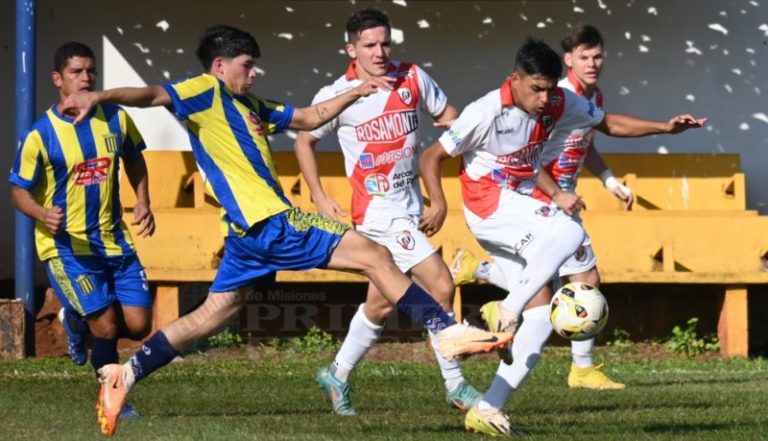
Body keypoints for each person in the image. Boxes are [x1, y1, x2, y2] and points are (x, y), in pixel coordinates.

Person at [62, 25, 513, 436]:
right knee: (376, 255)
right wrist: (98, 97)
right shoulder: (204, 90)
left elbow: (310, 118)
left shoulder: (250, 104)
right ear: (220, 66)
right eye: (246, 65)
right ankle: (445, 329)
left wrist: (356, 91)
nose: (253, 73)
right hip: (271, 222)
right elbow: (152, 94)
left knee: (208, 317)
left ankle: (125, 375)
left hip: (246, 235)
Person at [419, 38, 706, 436]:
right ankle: (502, 308)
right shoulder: (484, 111)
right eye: (536, 88)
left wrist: (664, 128)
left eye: (550, 89)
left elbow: (605, 123)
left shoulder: (559, 102)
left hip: (519, 205)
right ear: (514, 79)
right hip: (489, 206)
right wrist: (437, 203)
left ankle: (487, 407)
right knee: (570, 230)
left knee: (540, 319)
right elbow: (430, 156)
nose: (544, 98)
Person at [295, 8, 480, 416]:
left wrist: (461, 144)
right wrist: (319, 196)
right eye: (369, 45)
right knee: (440, 283)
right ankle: (457, 386)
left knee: (379, 305)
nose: (379, 52)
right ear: (351, 49)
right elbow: (304, 141)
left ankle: (336, 374)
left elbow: (450, 121)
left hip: (409, 208)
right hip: (376, 212)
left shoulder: (412, 77)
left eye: (384, 43)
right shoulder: (336, 92)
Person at [450, 24, 630, 390]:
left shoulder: (586, 100)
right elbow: (531, 157)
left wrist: (610, 181)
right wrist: (555, 193)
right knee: (579, 278)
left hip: (554, 194)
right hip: (535, 196)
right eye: (584, 57)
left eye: (597, 56)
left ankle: (484, 277)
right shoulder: (554, 96)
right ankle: (576, 364)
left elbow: (586, 143)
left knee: (548, 292)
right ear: (569, 61)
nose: (593, 63)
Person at [9, 42, 156, 418]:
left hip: (115, 241)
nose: (86, 77)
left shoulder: (116, 118)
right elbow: (17, 190)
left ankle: (74, 317)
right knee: (106, 327)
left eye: (91, 70)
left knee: (138, 327)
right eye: (77, 71)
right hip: (68, 247)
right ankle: (113, 400)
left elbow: (135, 158)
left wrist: (143, 200)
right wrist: (42, 213)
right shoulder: (41, 133)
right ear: (59, 79)